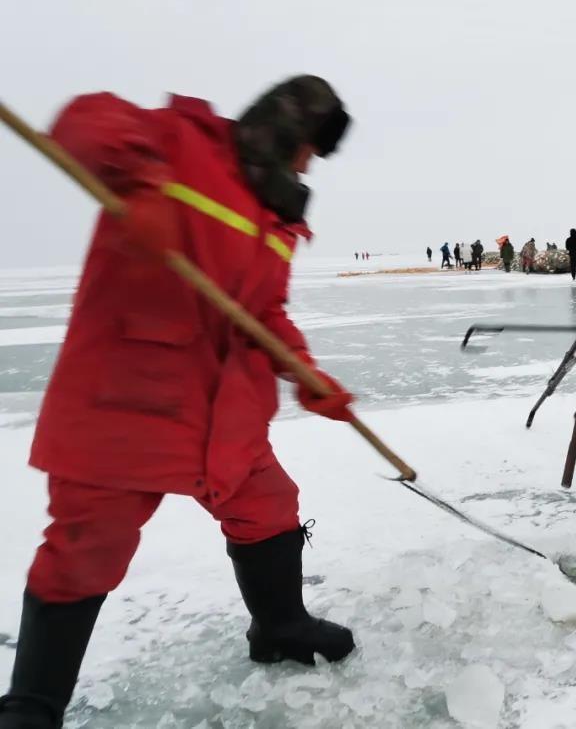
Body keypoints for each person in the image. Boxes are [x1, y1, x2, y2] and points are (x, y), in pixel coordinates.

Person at [0, 76, 358, 728]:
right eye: (309, 148)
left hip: (228, 416)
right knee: (86, 547)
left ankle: (279, 625)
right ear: (286, 131)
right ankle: (32, 705)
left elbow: (264, 312)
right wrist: (145, 184)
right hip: (128, 404)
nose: (309, 165)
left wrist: (307, 374)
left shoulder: (279, 216)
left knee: (269, 507)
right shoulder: (181, 144)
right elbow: (84, 118)